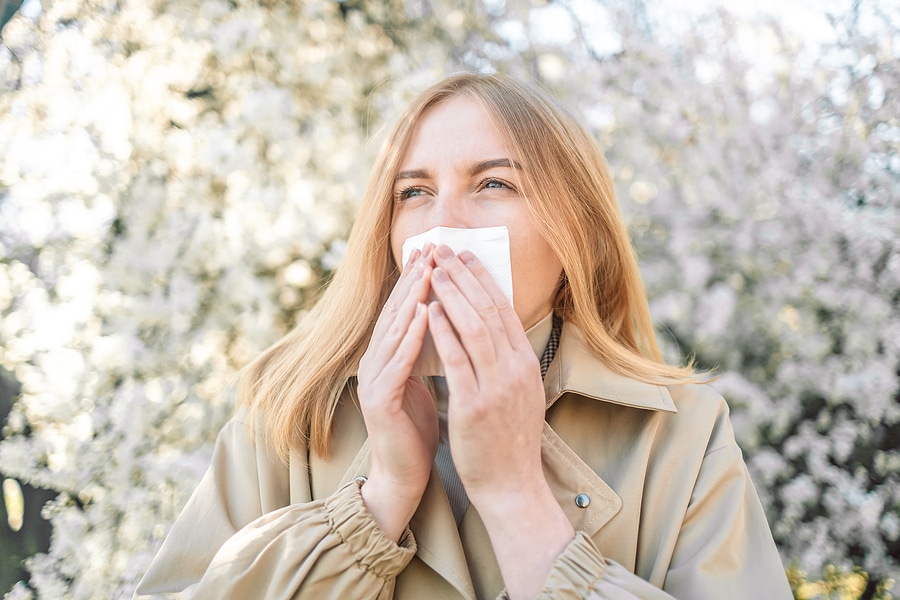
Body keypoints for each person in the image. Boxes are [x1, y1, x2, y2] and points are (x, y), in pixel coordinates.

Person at [135, 73, 792, 599]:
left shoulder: (682, 435)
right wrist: (378, 499)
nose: (443, 224)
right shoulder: (286, 416)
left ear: (579, 235)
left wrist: (517, 497)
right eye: (414, 193)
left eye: (494, 183)